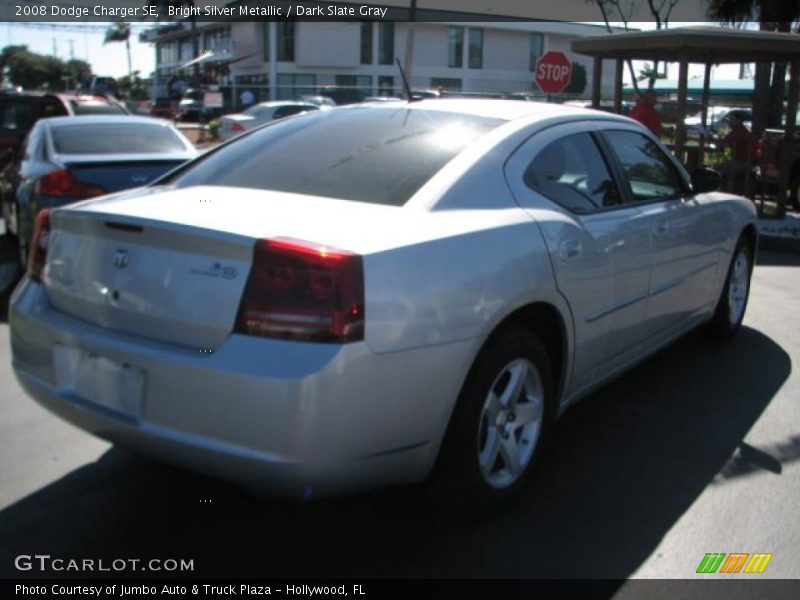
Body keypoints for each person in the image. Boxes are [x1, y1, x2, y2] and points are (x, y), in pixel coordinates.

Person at [721, 114, 755, 196]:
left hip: (742, 162)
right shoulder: (740, 130)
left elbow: (724, 142)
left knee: (718, 170)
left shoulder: (739, 131)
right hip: (741, 161)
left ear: (739, 121)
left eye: (732, 119)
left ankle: (724, 192)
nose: (729, 122)